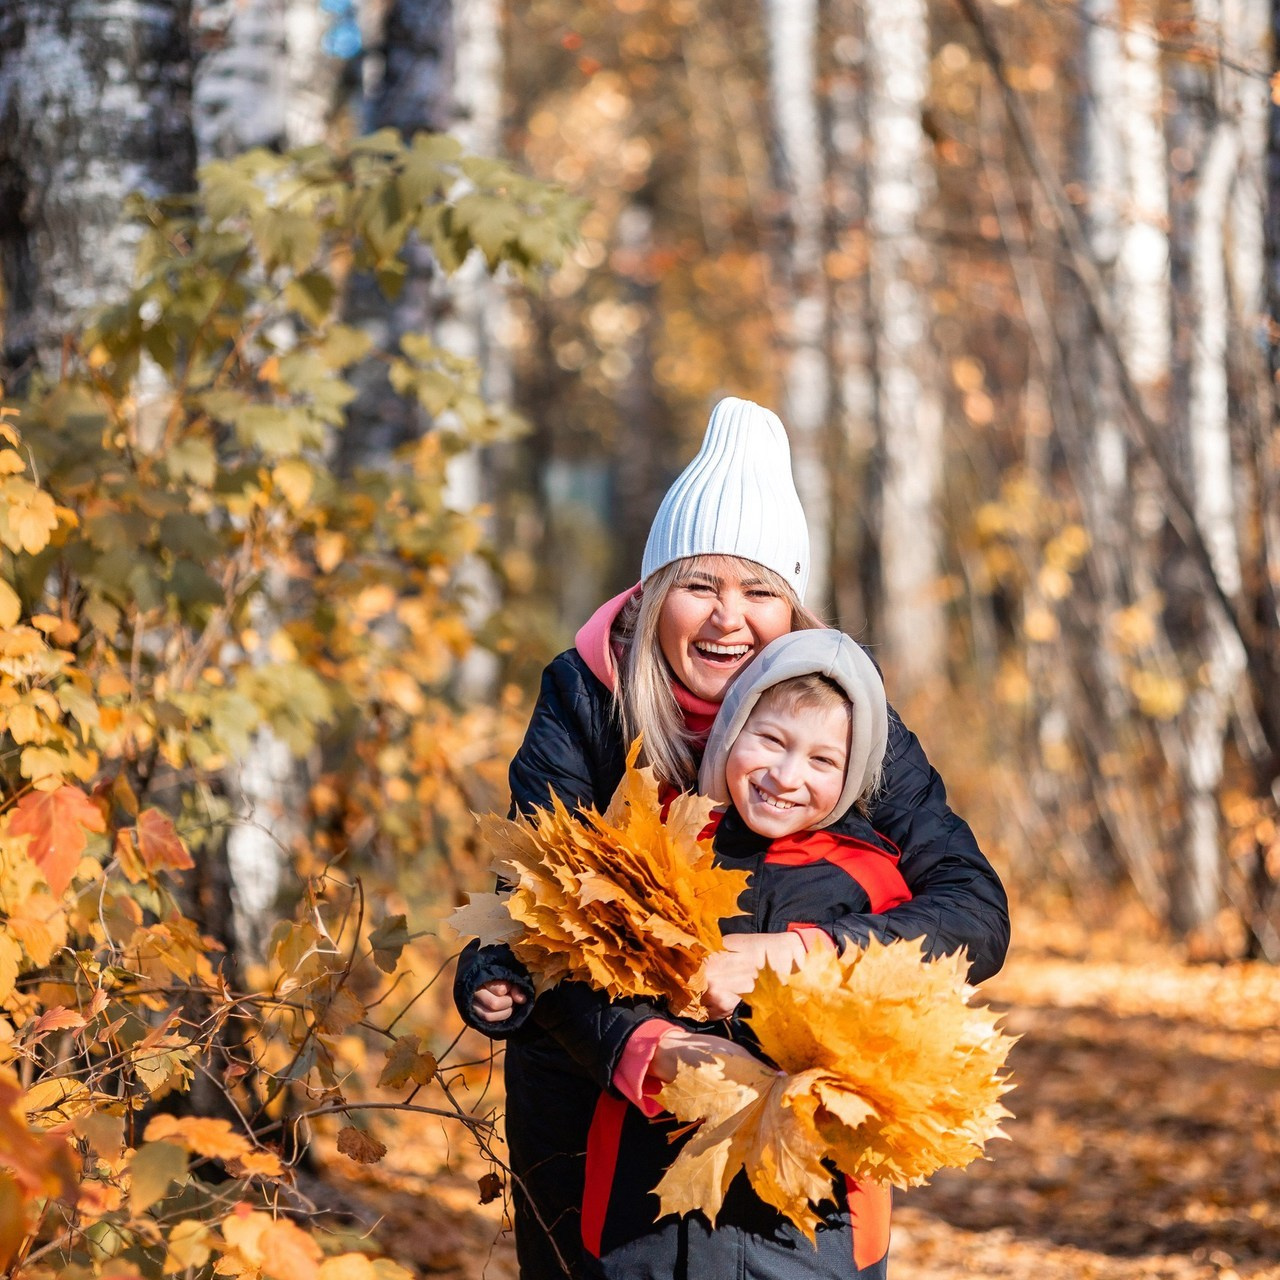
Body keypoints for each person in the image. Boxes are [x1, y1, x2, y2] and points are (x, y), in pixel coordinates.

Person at [453, 396, 1010, 1279]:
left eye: (759, 591)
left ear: (791, 609)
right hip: (595, 1097)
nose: (728, 619)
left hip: (792, 1113)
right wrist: (642, 1046)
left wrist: (795, 954)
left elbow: (974, 912)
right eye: (700, 585)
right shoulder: (586, 701)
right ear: (653, 592)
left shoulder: (844, 718)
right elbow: (533, 916)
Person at [474, 627, 915, 1278]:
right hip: (642, 1211)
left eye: (824, 761)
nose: (788, 776)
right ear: (731, 730)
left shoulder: (871, 887)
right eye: (771, 740)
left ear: (854, 776)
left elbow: (908, 1034)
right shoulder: (655, 854)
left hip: (815, 1230)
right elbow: (576, 971)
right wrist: (653, 1046)